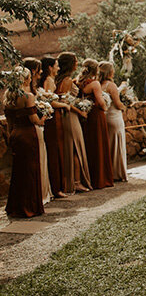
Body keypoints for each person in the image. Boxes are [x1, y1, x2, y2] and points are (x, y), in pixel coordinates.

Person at [4, 67, 45, 218]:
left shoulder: (9, 97)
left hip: (15, 135)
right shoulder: (28, 96)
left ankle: (16, 206)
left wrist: (11, 137)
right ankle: (29, 207)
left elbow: (9, 123)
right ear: (26, 79)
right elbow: (34, 120)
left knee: (18, 172)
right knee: (30, 170)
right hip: (28, 135)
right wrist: (44, 118)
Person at [55, 52, 91, 192]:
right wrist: (81, 111)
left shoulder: (64, 79)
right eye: (75, 61)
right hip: (70, 116)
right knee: (75, 148)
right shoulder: (67, 81)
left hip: (69, 115)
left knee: (73, 147)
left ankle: (73, 181)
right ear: (70, 64)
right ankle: (75, 182)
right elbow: (65, 101)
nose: (77, 63)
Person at [77, 59, 114, 190]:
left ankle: (89, 177)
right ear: (95, 70)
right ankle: (100, 179)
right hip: (97, 116)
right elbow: (100, 101)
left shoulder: (79, 82)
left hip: (85, 116)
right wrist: (105, 105)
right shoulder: (94, 84)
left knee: (89, 145)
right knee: (99, 144)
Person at [40, 56, 70, 198]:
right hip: (52, 119)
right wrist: (65, 104)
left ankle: (57, 186)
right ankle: (56, 187)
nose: (58, 68)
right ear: (50, 68)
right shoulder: (49, 81)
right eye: (56, 66)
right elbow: (49, 102)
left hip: (54, 118)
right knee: (55, 151)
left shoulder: (49, 80)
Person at [23, 58, 51, 205]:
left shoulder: (14, 93)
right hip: (34, 129)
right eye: (38, 69)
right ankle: (39, 194)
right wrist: (46, 112)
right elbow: (35, 119)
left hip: (21, 131)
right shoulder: (28, 94)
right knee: (38, 161)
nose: (41, 72)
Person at [98, 61, 128, 182]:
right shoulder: (111, 85)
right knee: (117, 144)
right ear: (110, 72)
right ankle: (117, 173)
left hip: (105, 117)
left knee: (108, 144)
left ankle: (109, 171)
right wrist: (125, 106)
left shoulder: (99, 84)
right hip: (115, 117)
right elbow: (117, 103)